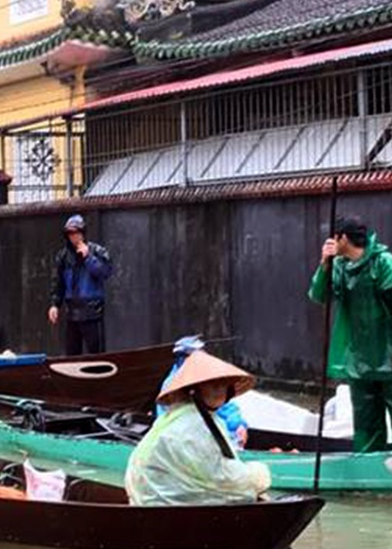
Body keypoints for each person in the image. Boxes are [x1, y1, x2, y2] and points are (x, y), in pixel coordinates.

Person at [308, 215, 392, 453]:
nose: (329, 242)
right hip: (360, 359)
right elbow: (319, 296)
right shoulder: (339, 266)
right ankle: (367, 465)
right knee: (365, 421)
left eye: (333, 237)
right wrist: (324, 265)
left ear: (343, 238)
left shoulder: (384, 263)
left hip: (391, 354)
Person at [126, 349, 271, 505]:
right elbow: (221, 477)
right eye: (212, 386)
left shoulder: (193, 415)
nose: (219, 392)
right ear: (194, 390)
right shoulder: (194, 424)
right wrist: (258, 475)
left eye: (223, 386)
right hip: (164, 505)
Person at [157, 335, 248, 449]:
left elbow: (226, 407)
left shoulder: (206, 379)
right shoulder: (174, 388)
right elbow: (185, 429)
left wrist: (238, 425)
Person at [48, 214, 113, 356]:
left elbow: (105, 271)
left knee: (97, 356)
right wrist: (55, 304)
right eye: (70, 233)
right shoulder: (63, 256)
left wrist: (88, 257)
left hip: (92, 312)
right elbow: (58, 282)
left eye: (76, 232)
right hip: (72, 313)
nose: (73, 237)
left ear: (82, 233)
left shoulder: (96, 250)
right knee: (72, 356)